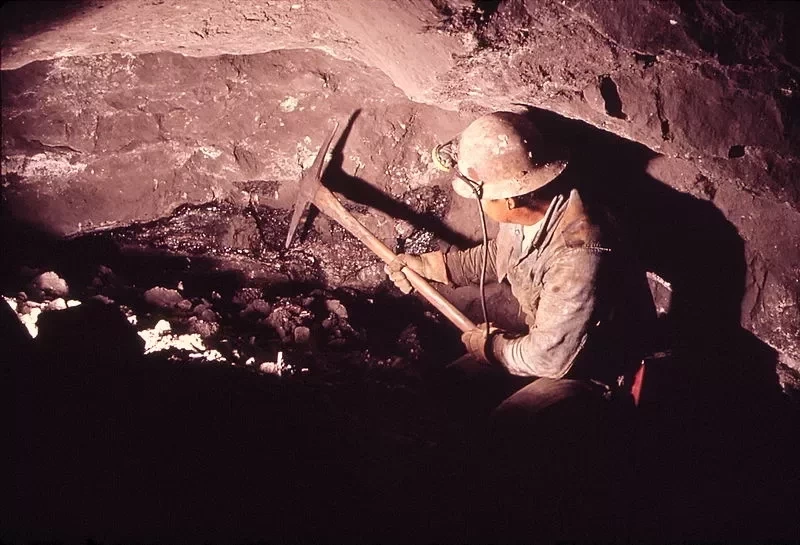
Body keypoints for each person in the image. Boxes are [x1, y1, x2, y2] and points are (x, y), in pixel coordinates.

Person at [386, 111, 656, 537]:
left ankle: (517, 514)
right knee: (446, 388)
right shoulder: (535, 209)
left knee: (508, 430)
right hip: (545, 341)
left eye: (481, 197)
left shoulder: (581, 252)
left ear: (510, 199)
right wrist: (433, 265)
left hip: (592, 371)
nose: (478, 205)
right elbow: (497, 257)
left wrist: (491, 349)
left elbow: (552, 357)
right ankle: (452, 479)